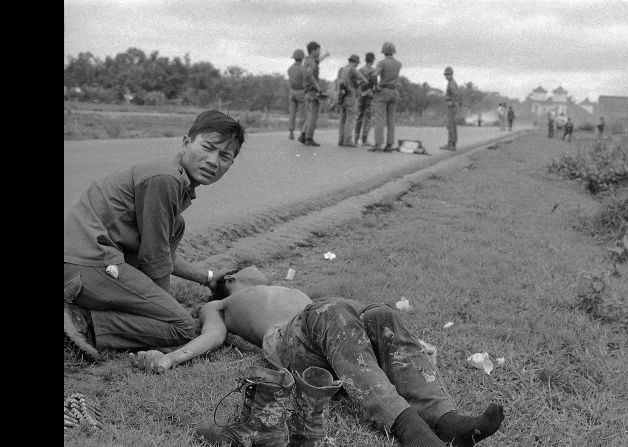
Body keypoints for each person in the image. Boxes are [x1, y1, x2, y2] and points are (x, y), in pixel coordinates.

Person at [131, 266, 505, 447]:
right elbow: (211, 336)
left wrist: (402, 333)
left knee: (381, 314)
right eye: (247, 270)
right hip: (287, 347)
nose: (257, 270)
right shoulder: (222, 302)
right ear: (231, 279)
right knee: (329, 311)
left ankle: (449, 421)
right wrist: (172, 358)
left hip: (328, 340)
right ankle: (413, 433)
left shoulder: (292, 294)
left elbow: (346, 315)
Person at [64, 110, 246, 360]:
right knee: (182, 328)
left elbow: (164, 255)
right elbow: (154, 258)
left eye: (224, 156)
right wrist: (165, 307)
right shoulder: (165, 180)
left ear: (230, 164)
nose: (214, 161)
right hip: (83, 262)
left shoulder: (175, 184)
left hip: (90, 260)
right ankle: (82, 321)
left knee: (177, 227)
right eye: (208, 147)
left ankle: (88, 313)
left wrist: (208, 277)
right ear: (186, 143)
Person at [368, 42, 403, 153]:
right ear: (393, 51)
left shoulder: (382, 63)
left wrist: (376, 86)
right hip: (394, 92)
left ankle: (378, 144)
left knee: (379, 118)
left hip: (384, 91)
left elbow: (374, 75)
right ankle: (389, 144)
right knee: (391, 120)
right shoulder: (398, 64)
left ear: (384, 52)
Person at [299, 41, 330, 147]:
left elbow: (317, 62)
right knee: (314, 115)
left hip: (308, 89)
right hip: (312, 90)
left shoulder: (308, 60)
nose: (319, 52)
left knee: (312, 114)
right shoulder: (311, 62)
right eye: (318, 50)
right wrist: (318, 87)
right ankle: (309, 137)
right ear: (313, 50)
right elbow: (309, 74)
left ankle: (303, 134)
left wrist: (325, 56)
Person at [336, 55, 367, 147]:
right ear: (355, 62)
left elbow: (338, 81)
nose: (357, 65)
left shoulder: (342, 69)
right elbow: (364, 80)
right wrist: (357, 84)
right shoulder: (353, 70)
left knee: (343, 119)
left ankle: (341, 140)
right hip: (351, 96)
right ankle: (348, 140)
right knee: (350, 119)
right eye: (357, 63)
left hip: (342, 97)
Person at [355, 52, 377, 146]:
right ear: (373, 60)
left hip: (362, 94)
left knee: (359, 117)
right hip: (370, 95)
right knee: (368, 118)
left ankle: (356, 139)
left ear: (365, 59)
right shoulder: (374, 71)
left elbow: (357, 82)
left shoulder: (360, 70)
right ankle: (364, 139)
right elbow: (376, 84)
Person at [287, 49, 306, 141]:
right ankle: (302, 132)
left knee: (292, 113)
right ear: (302, 58)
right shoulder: (303, 69)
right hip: (301, 92)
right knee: (302, 113)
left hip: (292, 92)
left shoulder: (290, 69)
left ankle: (291, 133)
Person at [440, 66, 458, 151]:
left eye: (447, 74)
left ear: (451, 74)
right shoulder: (452, 82)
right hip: (452, 106)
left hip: (451, 106)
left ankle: (451, 144)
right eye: (445, 75)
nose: (446, 76)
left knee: (450, 125)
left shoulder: (451, 83)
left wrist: (451, 101)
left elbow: (455, 94)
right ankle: (452, 143)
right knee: (452, 125)